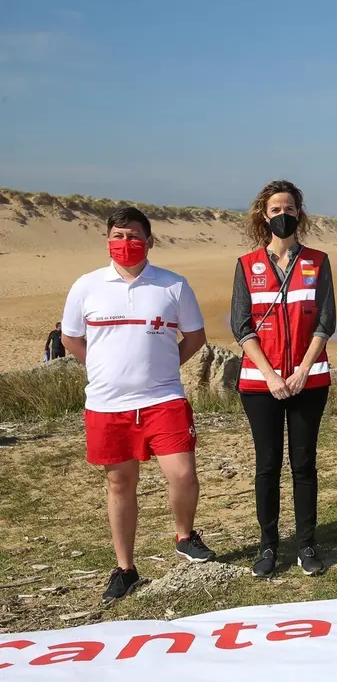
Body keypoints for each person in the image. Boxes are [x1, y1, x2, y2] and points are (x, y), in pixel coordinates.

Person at [60, 207, 215, 602]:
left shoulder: (172, 286)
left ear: (149, 241)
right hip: (107, 403)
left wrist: (164, 368)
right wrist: (101, 369)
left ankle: (184, 535)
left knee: (182, 474)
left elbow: (195, 338)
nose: (124, 243)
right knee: (120, 483)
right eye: (117, 235)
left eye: (132, 236)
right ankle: (125, 568)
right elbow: (71, 340)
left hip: (163, 398)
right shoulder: (86, 285)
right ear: (107, 240)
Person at [231, 179, 336, 579]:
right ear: (264, 215)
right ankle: (268, 546)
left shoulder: (317, 261)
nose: (283, 215)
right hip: (262, 385)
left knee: (304, 464)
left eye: (289, 208)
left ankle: (307, 544)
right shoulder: (246, 265)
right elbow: (241, 325)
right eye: (275, 210)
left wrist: (303, 368)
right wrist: (273, 375)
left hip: (309, 381)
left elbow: (326, 320)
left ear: (299, 213)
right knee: (268, 465)